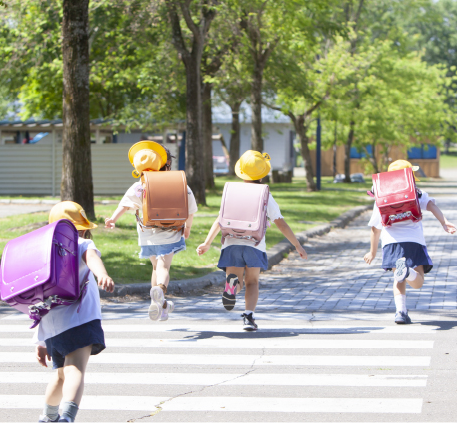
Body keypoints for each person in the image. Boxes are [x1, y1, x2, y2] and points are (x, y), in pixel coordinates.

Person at [197, 150, 307, 331]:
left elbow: (220, 220)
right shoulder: (265, 195)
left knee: (235, 280)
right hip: (254, 245)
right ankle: (248, 316)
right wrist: (297, 245)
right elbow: (281, 224)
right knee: (252, 282)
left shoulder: (232, 191)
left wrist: (207, 242)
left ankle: (231, 288)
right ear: (263, 173)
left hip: (231, 243)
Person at [35, 201, 115, 422]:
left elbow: (38, 297)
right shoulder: (81, 242)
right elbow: (92, 258)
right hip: (80, 319)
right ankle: (67, 418)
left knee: (60, 376)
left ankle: (48, 417)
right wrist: (102, 275)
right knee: (75, 370)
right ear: (80, 228)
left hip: (52, 326)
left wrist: (40, 341)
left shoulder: (44, 253)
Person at [105, 141, 197, 321]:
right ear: (165, 164)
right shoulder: (178, 182)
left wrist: (112, 220)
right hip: (170, 233)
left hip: (147, 235)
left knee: (155, 266)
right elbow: (190, 209)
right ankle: (161, 288)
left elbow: (124, 205)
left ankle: (158, 305)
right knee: (163, 267)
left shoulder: (140, 185)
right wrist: (187, 228)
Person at [363, 160, 457, 324]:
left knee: (398, 280)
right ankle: (408, 271)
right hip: (413, 241)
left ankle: (401, 312)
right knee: (418, 281)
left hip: (391, 243)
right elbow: (431, 205)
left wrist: (372, 252)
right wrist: (444, 222)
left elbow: (375, 228)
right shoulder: (416, 193)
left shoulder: (381, 198)